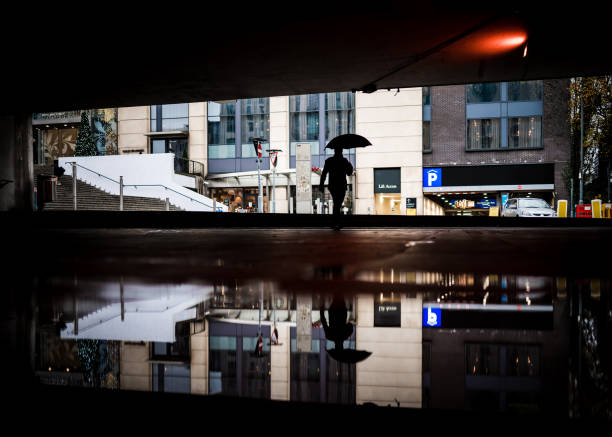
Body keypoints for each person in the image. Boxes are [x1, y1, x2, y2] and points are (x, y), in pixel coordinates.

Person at [319, 147, 353, 216]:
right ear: (342, 151)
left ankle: (335, 221)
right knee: (338, 203)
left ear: (334, 151)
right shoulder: (344, 161)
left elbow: (324, 174)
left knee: (336, 202)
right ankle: (336, 221)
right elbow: (349, 173)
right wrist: (350, 166)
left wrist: (321, 185)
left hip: (333, 186)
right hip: (341, 186)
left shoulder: (329, 161)